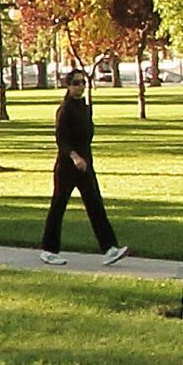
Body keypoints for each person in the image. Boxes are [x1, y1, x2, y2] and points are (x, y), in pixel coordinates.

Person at [42, 67, 125, 265]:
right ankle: (49, 249)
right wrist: (74, 157)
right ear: (68, 86)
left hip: (85, 166)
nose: (80, 87)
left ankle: (110, 248)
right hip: (67, 167)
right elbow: (61, 140)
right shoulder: (65, 110)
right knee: (58, 206)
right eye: (76, 83)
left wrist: (85, 159)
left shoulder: (85, 107)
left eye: (83, 83)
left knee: (95, 204)